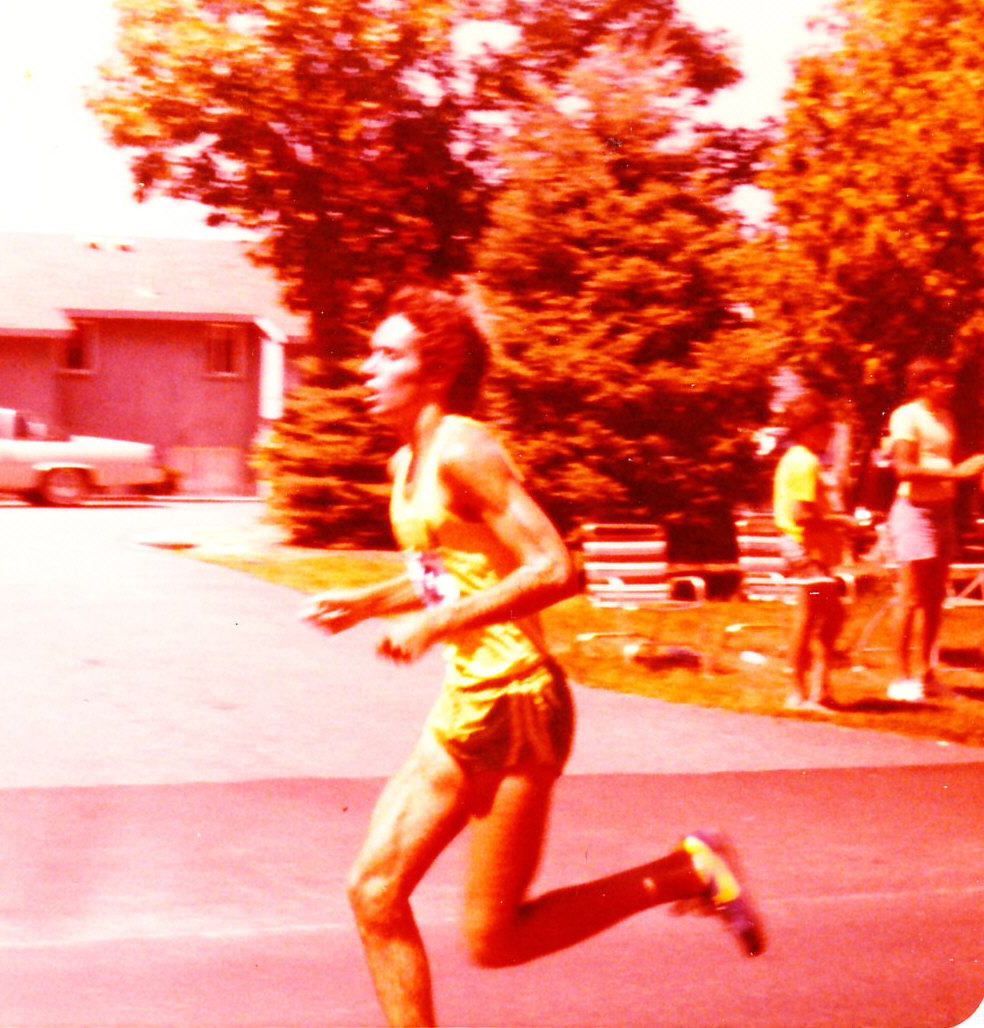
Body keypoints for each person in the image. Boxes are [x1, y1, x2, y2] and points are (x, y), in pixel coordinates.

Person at [301, 286, 764, 1027]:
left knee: (495, 939)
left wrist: (435, 624)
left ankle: (688, 872)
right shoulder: (407, 463)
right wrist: (366, 602)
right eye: (370, 352)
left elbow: (554, 568)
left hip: (519, 701)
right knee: (374, 892)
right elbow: (450, 571)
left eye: (388, 354)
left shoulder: (464, 448)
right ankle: (689, 871)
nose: (366, 368)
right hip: (468, 699)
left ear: (438, 370)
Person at [884, 357, 984, 702]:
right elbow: (903, 469)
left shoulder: (945, 417)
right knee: (911, 597)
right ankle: (900, 679)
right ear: (923, 384)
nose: (951, 386)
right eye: (943, 381)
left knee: (935, 599)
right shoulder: (906, 416)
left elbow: (946, 460)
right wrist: (955, 474)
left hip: (943, 512)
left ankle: (926, 675)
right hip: (914, 513)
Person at [772, 392, 860, 710]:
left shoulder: (800, 458)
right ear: (807, 427)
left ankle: (818, 688)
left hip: (814, 549)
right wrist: (841, 521)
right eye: (826, 427)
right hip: (804, 547)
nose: (831, 433)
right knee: (810, 617)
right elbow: (801, 515)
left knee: (832, 615)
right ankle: (798, 692)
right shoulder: (804, 462)